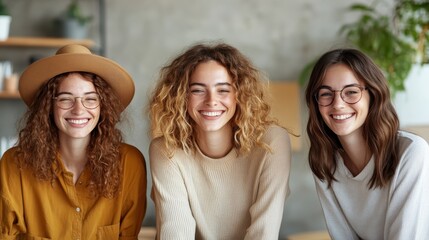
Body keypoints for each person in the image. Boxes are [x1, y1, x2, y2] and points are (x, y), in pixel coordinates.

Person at [0, 44, 147, 239]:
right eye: (65, 99)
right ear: (48, 106)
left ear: (103, 106)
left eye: (90, 99)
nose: (79, 110)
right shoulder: (14, 163)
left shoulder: (129, 162)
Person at [148, 42, 291, 239]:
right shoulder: (165, 149)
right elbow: (175, 229)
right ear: (182, 96)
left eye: (223, 90)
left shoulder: (272, 141)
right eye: (198, 90)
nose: (211, 101)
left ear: (239, 95)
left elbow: (264, 231)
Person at [305, 48, 429, 239]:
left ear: (373, 95)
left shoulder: (411, 153)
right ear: (316, 102)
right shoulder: (323, 161)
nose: (338, 103)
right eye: (326, 94)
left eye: (351, 92)